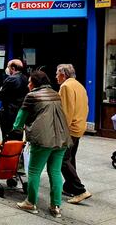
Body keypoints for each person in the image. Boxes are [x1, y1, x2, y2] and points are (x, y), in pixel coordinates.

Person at [12, 71, 72, 218]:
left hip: (43, 139)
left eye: (30, 81)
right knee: (55, 171)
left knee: (33, 171)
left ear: (35, 83)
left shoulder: (32, 96)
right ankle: (55, 206)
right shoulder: (55, 93)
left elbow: (20, 119)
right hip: (62, 138)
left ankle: (30, 203)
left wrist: (16, 127)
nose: (28, 84)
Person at [56, 64, 92, 204]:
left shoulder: (65, 87)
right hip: (79, 127)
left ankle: (80, 190)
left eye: (57, 73)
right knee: (70, 158)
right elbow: (85, 107)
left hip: (69, 129)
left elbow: (66, 111)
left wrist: (61, 131)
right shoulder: (79, 85)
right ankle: (69, 186)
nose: (56, 76)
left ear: (63, 75)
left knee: (62, 160)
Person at [0, 59, 29, 140]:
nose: (7, 69)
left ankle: (8, 152)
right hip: (19, 112)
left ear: (13, 68)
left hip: (9, 113)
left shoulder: (11, 79)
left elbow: (0, 95)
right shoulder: (25, 78)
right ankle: (16, 152)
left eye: (8, 66)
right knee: (18, 135)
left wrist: (0, 91)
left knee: (7, 136)